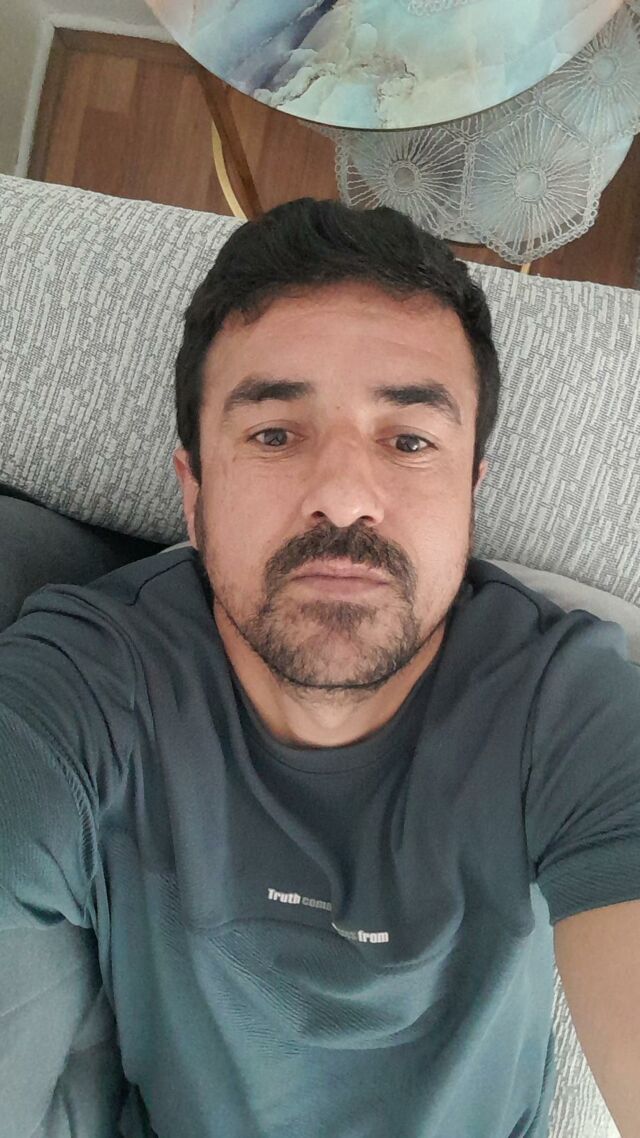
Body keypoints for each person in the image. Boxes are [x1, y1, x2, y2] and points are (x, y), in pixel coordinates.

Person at [1, 198, 638, 1138]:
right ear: (193, 493)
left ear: (471, 491)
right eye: (273, 434)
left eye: (409, 441)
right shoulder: (84, 691)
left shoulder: (571, 709)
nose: (342, 497)